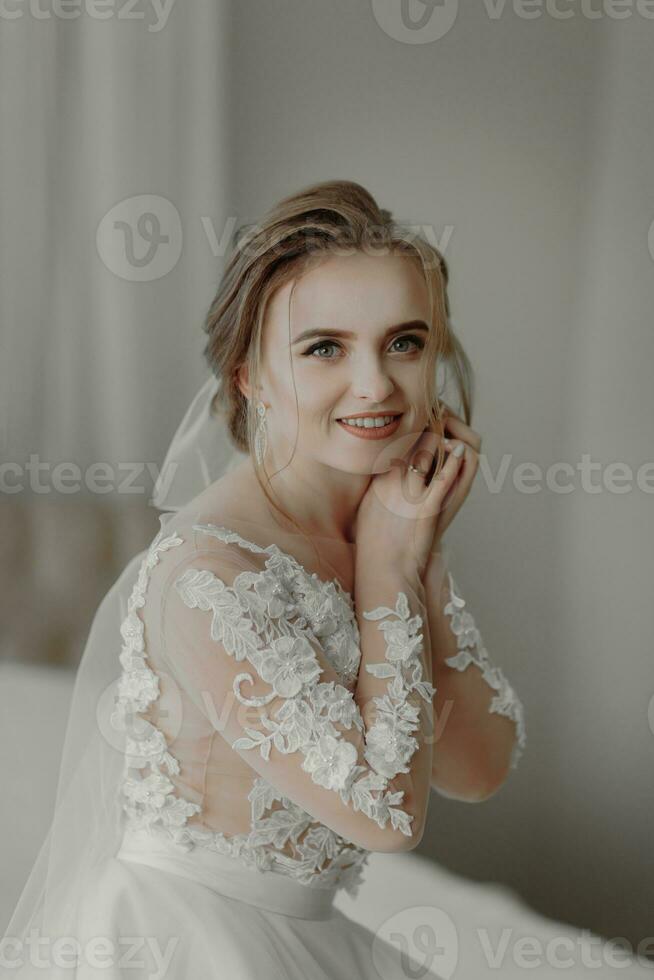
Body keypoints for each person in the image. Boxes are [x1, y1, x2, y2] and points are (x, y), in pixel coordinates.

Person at [1, 180, 526, 978]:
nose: (377, 385)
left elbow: (479, 768)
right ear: (249, 376)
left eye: (405, 343)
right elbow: (386, 816)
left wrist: (413, 562)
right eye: (325, 347)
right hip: (186, 940)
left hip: (310, 934)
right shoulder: (207, 572)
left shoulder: (382, 521)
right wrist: (388, 570)